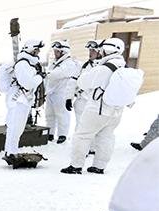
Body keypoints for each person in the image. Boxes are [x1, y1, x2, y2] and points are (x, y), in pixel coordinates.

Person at [62, 38, 128, 175]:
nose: (99, 51)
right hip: (116, 111)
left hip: (98, 109)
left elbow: (83, 82)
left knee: (82, 135)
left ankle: (76, 166)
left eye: (101, 49)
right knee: (106, 136)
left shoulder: (105, 68)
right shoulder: (124, 66)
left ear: (107, 50)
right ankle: (99, 166)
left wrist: (85, 76)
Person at [3, 40, 45, 167]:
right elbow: (27, 83)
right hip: (18, 100)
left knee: (16, 128)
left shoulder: (28, 63)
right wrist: (40, 77)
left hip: (22, 100)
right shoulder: (23, 64)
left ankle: (11, 151)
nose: (38, 53)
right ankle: (11, 152)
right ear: (30, 49)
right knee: (15, 127)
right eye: (36, 50)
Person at [44, 40, 80, 144]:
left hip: (62, 93)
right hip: (51, 93)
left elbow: (56, 74)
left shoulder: (69, 63)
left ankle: (62, 134)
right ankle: (50, 133)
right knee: (49, 115)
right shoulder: (54, 63)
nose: (55, 53)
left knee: (62, 115)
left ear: (64, 52)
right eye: (54, 51)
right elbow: (49, 75)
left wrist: (47, 73)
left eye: (57, 51)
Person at [72, 40, 100, 124]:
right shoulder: (84, 66)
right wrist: (69, 98)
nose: (90, 53)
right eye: (89, 50)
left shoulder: (105, 68)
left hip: (96, 104)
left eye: (93, 51)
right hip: (82, 101)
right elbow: (73, 82)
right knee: (80, 127)